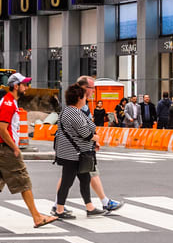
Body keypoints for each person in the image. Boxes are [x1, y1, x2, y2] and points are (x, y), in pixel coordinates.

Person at [0, 73, 54, 230]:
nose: (27, 87)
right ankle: (37, 217)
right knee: (24, 181)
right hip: (5, 149)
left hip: (0, 149)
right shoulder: (8, 103)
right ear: (16, 86)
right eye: (25, 84)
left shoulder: (10, 102)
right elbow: (2, 129)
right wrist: (15, 148)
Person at [73, 76, 121, 214]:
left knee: (72, 176)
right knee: (84, 174)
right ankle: (104, 202)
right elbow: (80, 126)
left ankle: (98, 204)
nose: (94, 91)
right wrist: (93, 139)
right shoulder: (79, 105)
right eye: (91, 88)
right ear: (84, 88)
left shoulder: (83, 104)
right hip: (81, 147)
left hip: (81, 146)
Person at [50, 85, 98, 220]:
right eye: (84, 96)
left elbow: (89, 126)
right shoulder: (74, 113)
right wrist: (95, 138)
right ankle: (59, 210)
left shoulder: (67, 111)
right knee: (67, 181)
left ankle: (90, 207)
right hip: (74, 154)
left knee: (85, 179)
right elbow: (86, 132)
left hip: (71, 153)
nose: (86, 99)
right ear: (79, 98)